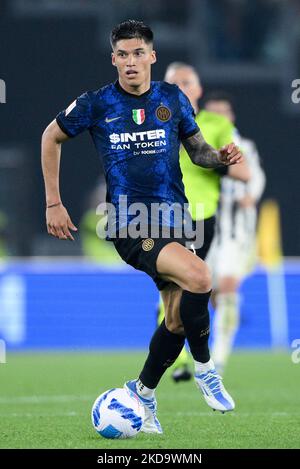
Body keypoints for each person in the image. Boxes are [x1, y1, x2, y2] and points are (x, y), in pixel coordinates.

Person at [41, 20, 243, 435]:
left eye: (138, 53)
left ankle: (144, 394)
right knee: (201, 276)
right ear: (113, 59)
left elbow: (198, 152)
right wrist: (53, 202)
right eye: (122, 54)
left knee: (175, 320)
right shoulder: (97, 103)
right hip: (130, 223)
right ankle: (206, 369)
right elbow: (50, 136)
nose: (130, 62)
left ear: (152, 57)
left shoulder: (172, 99)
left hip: (175, 220)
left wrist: (221, 158)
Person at [157, 62, 250, 382]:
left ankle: (190, 358)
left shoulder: (215, 124)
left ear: (198, 89)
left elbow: (243, 171)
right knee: (169, 288)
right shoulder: (157, 121)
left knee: (187, 289)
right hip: (162, 216)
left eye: (186, 82)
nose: (180, 87)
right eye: (173, 83)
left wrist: (212, 158)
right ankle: (182, 359)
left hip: (200, 218)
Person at [204, 92, 266, 375]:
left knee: (228, 286)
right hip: (205, 231)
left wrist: (251, 196)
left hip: (234, 234)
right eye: (212, 113)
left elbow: (256, 176)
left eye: (223, 113)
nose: (218, 118)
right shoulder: (198, 147)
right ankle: (228, 316)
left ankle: (219, 359)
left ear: (231, 117)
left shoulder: (245, 146)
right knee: (210, 293)